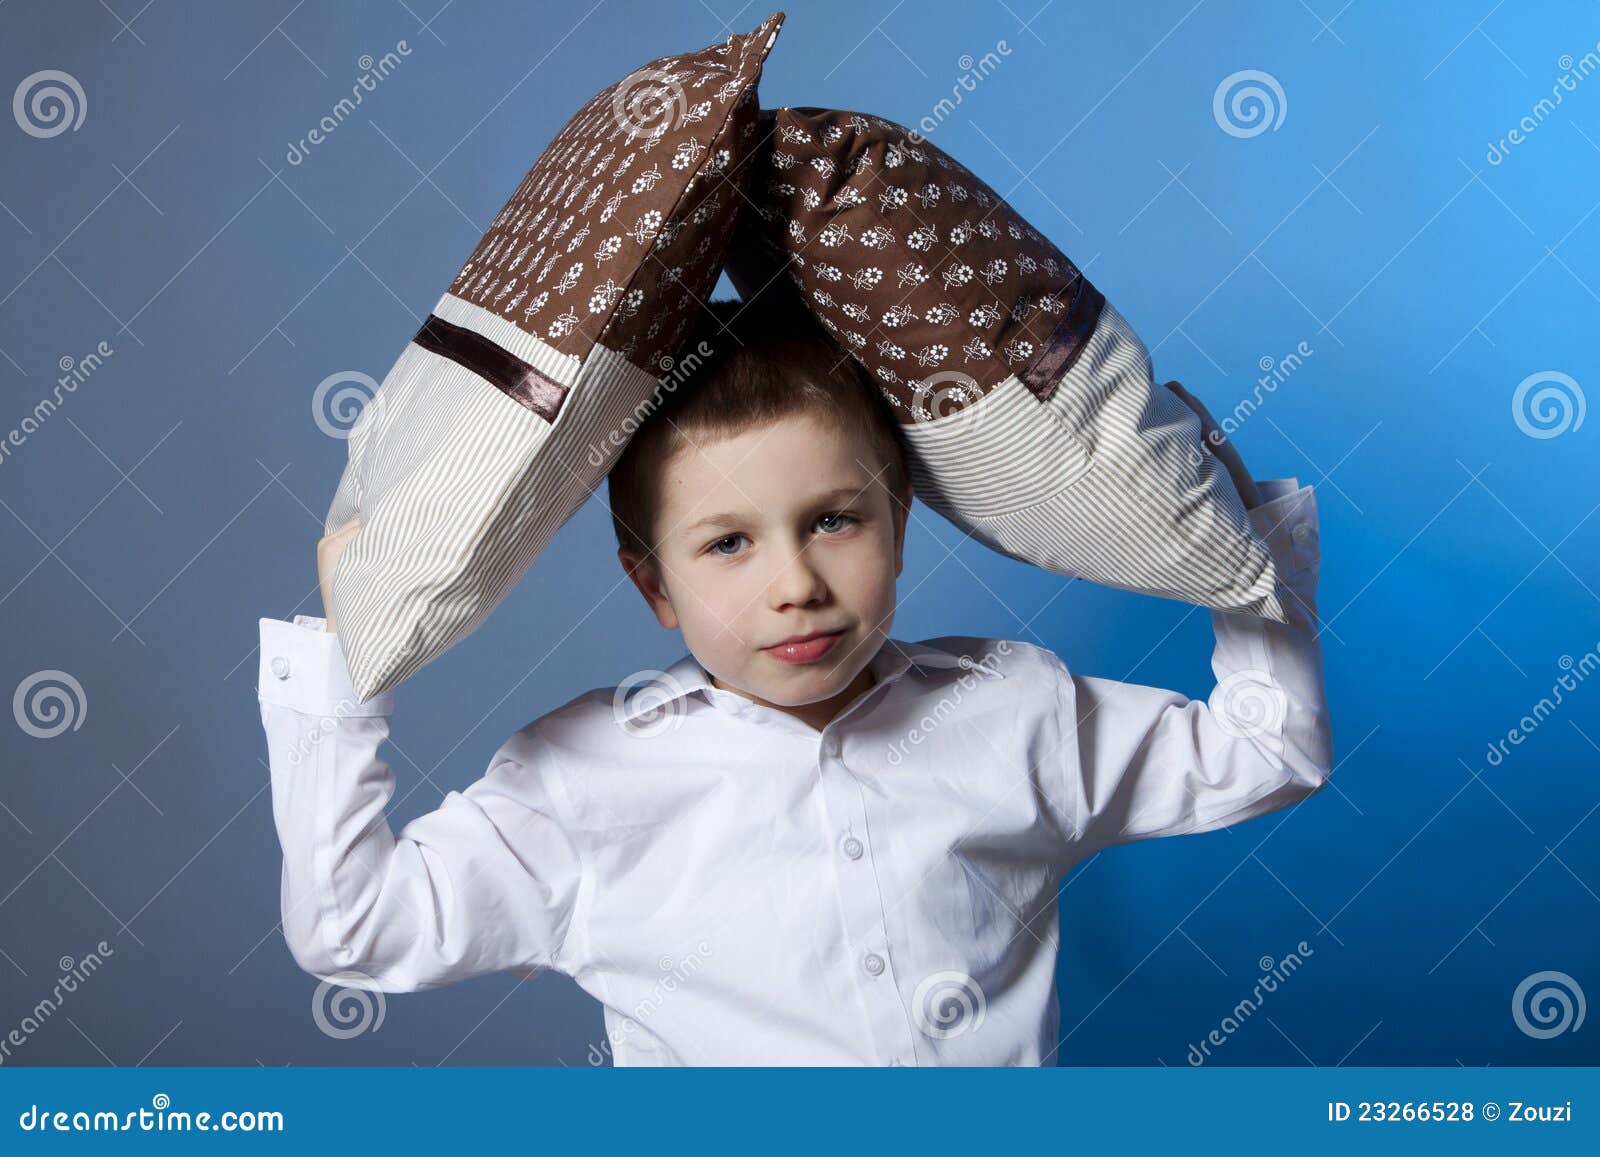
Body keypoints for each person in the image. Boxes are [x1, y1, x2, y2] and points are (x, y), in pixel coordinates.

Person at [256, 292, 1332, 1066]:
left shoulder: (1012, 708)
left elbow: (1266, 750)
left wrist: (1248, 562)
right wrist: (348, 661)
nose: (796, 584)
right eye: (727, 543)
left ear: (899, 526)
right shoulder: (580, 779)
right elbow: (353, 925)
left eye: (833, 520)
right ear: (653, 586)